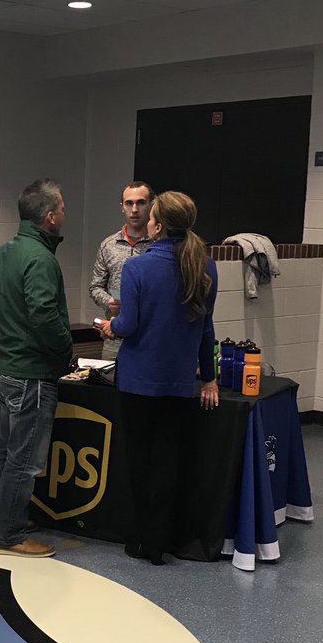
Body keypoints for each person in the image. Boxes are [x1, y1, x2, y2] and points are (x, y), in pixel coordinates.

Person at [98, 190, 219, 566]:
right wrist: (210, 378)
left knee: (139, 460)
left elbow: (130, 325)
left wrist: (110, 327)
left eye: (148, 215)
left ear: (158, 224)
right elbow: (206, 329)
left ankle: (140, 538)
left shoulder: (138, 267)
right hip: (179, 382)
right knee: (169, 462)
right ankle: (163, 539)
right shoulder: (206, 266)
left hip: (137, 381)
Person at [0, 178, 72, 558]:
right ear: (50, 217)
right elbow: (44, 314)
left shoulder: (5, 250)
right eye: (62, 209)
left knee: (6, 450)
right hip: (31, 374)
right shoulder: (41, 258)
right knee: (25, 459)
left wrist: (9, 320)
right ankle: (8, 535)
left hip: (7, 369)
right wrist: (64, 350)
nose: (64, 214)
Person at [89, 181, 154, 360]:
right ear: (122, 207)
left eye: (140, 203)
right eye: (129, 203)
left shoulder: (159, 245)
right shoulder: (108, 245)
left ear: (151, 205)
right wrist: (108, 300)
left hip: (148, 339)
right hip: (114, 338)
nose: (134, 209)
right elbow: (95, 287)